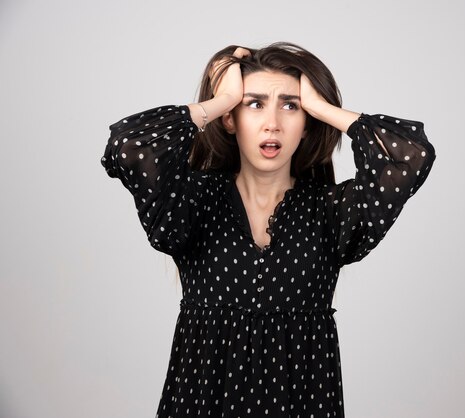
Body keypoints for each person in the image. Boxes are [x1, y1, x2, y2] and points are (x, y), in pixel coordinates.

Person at [101, 42, 436, 417]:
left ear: (307, 122)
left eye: (290, 105)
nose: (272, 123)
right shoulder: (191, 203)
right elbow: (129, 145)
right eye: (254, 104)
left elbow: (410, 155)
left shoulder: (331, 212)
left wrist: (322, 108)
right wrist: (222, 99)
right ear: (231, 119)